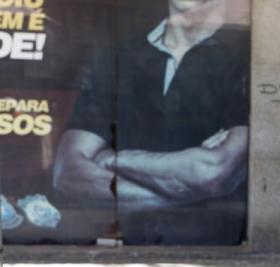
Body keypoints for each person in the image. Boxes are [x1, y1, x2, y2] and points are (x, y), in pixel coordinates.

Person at [52, 0, 249, 245]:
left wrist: (115, 159)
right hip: (133, 253)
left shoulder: (248, 57)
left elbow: (212, 171)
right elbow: (69, 174)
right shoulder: (123, 57)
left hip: (221, 254)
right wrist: (188, 193)